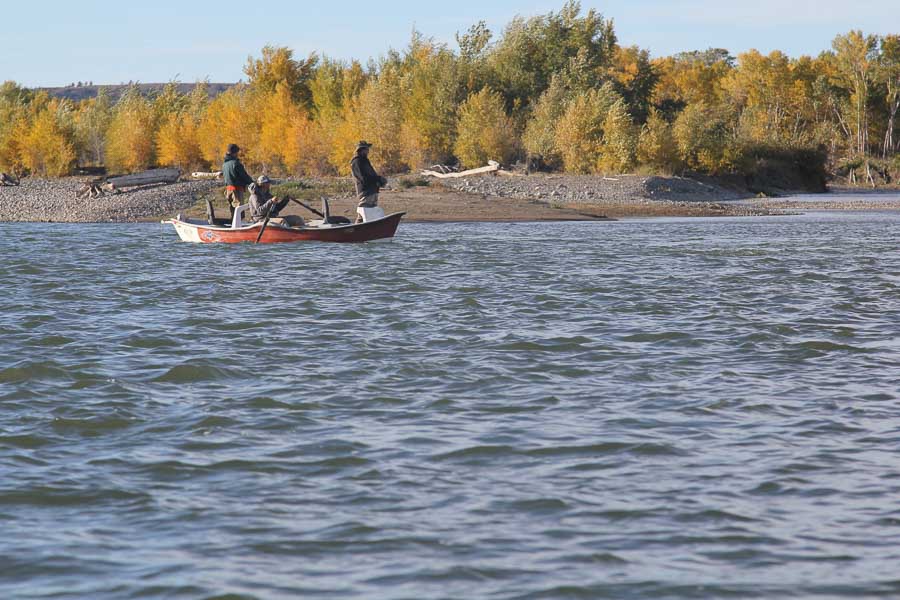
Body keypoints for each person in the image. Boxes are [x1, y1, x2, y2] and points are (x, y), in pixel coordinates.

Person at [350, 141, 388, 223]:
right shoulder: (357, 162)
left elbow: (371, 175)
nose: (368, 151)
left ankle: (357, 231)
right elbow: (363, 178)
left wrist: (379, 180)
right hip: (365, 191)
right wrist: (377, 179)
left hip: (372, 190)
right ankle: (356, 230)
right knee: (364, 209)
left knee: (368, 212)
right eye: (366, 149)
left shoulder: (364, 161)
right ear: (361, 150)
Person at [222, 143, 253, 217]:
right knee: (239, 212)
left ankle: (233, 225)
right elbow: (244, 176)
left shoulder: (224, 164)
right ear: (234, 152)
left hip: (228, 190)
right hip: (237, 190)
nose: (237, 154)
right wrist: (252, 183)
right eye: (237, 152)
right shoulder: (236, 163)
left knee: (232, 210)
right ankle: (238, 227)